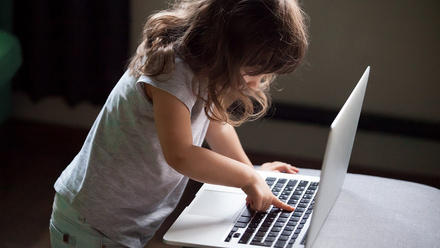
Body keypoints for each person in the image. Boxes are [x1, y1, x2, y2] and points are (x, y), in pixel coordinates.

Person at [49, 0, 309, 247]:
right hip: (92, 222)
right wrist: (247, 177)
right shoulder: (172, 68)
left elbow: (216, 125)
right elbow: (181, 154)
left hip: (120, 221)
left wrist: (254, 175)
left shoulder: (206, 64)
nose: (255, 83)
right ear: (226, 48)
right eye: (253, 70)